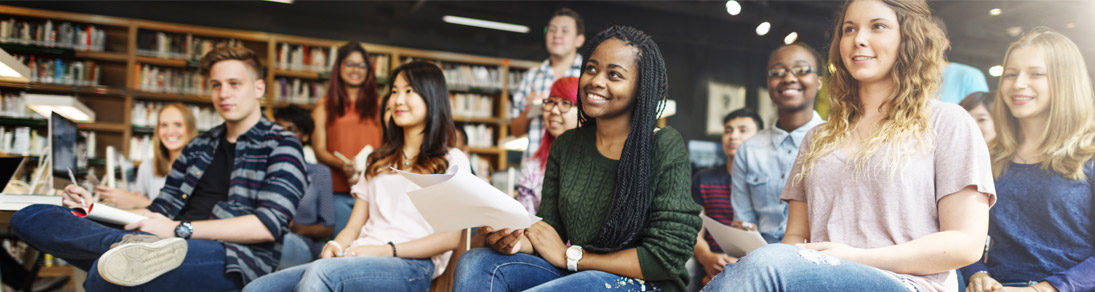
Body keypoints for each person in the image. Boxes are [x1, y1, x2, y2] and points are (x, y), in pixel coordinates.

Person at [705, 1, 995, 291]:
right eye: (849, 29)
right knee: (761, 263)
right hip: (819, 279)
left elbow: (966, 243)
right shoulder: (817, 137)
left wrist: (859, 259)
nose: (859, 39)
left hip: (907, 284)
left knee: (763, 263)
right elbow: (794, 238)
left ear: (909, 38)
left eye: (877, 26)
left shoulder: (947, 122)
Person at [10, 46, 307, 290]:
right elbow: (158, 209)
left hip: (231, 255)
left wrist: (179, 230)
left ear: (258, 88)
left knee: (108, 277)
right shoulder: (199, 145)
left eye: (234, 84)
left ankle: (129, 252)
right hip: (162, 239)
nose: (223, 94)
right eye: (216, 85)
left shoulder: (282, 144)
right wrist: (93, 209)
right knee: (32, 215)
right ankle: (127, 247)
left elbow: (268, 225)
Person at [454, 25, 701, 292]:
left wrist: (572, 257)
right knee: (475, 262)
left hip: (644, 284)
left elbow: (667, 257)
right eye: (591, 69)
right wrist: (513, 242)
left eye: (614, 75)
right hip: (578, 272)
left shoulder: (664, 144)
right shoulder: (566, 145)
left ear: (640, 89)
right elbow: (550, 234)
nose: (595, 80)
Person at [244, 61, 467, 292]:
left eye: (409, 91)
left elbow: (449, 239)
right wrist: (335, 244)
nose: (398, 100)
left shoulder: (451, 160)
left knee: (320, 274)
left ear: (432, 97)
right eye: (394, 91)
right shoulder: (377, 161)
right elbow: (352, 228)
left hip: (411, 266)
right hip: (358, 255)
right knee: (259, 287)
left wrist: (385, 250)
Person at [960, 27, 1095, 292]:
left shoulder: (1089, 154)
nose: (1018, 83)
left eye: (1036, 74)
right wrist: (977, 274)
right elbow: (962, 232)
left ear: (1064, 81)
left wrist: (1043, 289)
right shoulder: (988, 156)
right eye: (1010, 74)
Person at [730, 42, 827, 245]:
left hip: (819, 260)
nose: (789, 78)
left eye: (801, 70)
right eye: (778, 72)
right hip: (761, 257)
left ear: (819, 81)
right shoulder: (748, 150)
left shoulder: (836, 142)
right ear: (768, 82)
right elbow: (744, 220)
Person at [311, 42, 384, 238]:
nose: (356, 70)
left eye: (362, 65)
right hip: (338, 192)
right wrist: (343, 165)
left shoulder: (381, 105)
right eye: (350, 64)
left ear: (369, 70)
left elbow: (389, 145)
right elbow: (319, 148)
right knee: (341, 247)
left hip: (375, 191)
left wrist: (369, 164)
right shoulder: (324, 105)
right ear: (339, 67)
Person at [689, 107, 762, 287]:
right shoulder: (704, 179)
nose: (733, 136)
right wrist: (706, 257)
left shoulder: (768, 182)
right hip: (713, 264)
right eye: (728, 130)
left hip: (757, 264)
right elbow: (694, 230)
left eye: (743, 131)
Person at [509, 8, 585, 159]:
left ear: (579, 39)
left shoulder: (588, 76)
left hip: (575, 164)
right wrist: (533, 109)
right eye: (552, 30)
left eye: (564, 31)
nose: (557, 35)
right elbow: (515, 131)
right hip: (535, 167)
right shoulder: (531, 77)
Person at [96, 103, 198, 210]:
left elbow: (189, 214)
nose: (170, 131)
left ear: (190, 129)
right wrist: (131, 199)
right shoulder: (147, 166)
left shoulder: (201, 169)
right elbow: (140, 206)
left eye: (178, 124)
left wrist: (137, 201)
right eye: (164, 125)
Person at [273, 105, 336, 269]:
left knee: (282, 245)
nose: (283, 134)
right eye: (278, 128)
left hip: (300, 242)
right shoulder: (264, 169)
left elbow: (327, 229)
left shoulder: (319, 173)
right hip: (265, 238)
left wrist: (295, 228)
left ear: (305, 136)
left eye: (291, 129)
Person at [515, 76, 579, 214]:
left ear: (584, 112)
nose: (554, 111)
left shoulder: (596, 165)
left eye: (566, 103)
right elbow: (523, 223)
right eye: (551, 102)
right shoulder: (532, 168)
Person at [933, 16, 989, 104]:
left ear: (945, 43)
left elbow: (980, 114)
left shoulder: (970, 76)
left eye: (931, 39)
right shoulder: (910, 79)